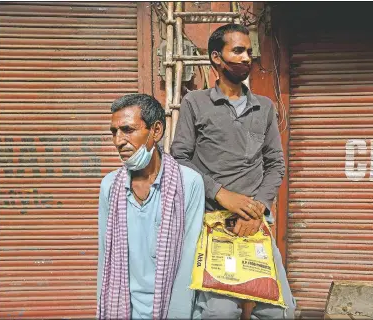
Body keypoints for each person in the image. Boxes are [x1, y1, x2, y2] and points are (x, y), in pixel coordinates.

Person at [171, 24, 296, 319]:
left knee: (280, 311)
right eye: (237, 51)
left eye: (249, 52)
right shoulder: (195, 103)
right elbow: (179, 159)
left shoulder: (263, 107)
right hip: (214, 224)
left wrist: (259, 208)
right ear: (216, 57)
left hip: (255, 223)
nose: (246, 58)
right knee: (220, 312)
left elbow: (276, 164)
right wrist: (222, 194)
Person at [96, 93, 205, 319]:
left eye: (128, 130)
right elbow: (105, 260)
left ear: (155, 131)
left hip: (173, 310)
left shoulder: (188, 183)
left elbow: (190, 258)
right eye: (114, 132)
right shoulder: (110, 186)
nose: (118, 141)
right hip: (124, 310)